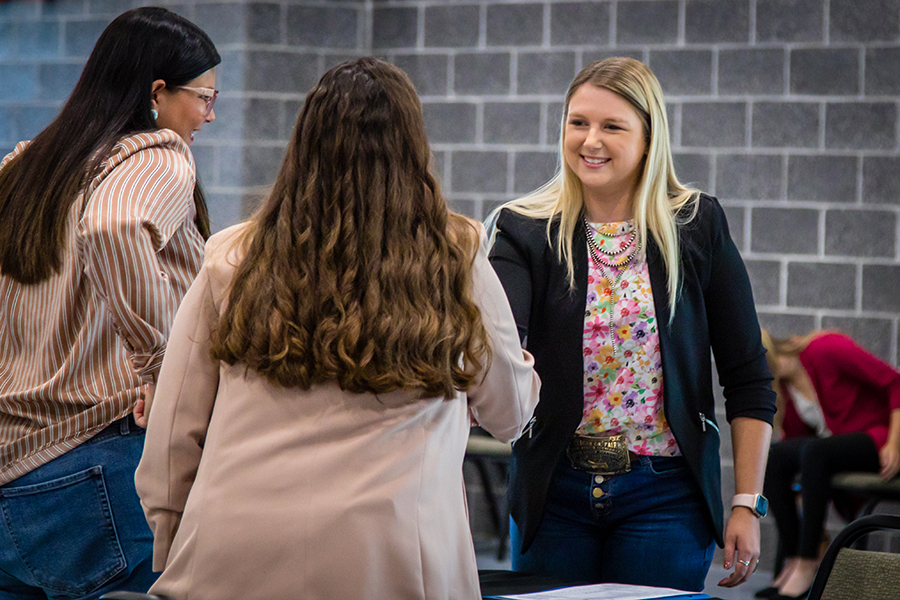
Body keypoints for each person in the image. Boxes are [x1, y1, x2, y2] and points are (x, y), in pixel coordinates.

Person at [134, 57, 540, 600]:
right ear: (414, 149)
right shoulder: (454, 254)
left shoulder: (233, 256)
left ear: (302, 145)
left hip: (235, 549)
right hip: (393, 556)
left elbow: (174, 428)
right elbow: (510, 412)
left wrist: (170, 537)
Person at [487, 56, 776, 592]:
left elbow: (748, 378)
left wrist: (746, 503)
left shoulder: (696, 224)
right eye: (578, 122)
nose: (590, 140)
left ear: (649, 137)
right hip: (555, 493)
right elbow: (500, 344)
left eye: (612, 126)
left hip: (666, 495)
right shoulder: (523, 228)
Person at [0, 7, 219, 599]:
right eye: (203, 97)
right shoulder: (157, 156)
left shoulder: (25, 167)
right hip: (99, 462)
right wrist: (159, 368)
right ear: (157, 93)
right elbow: (114, 226)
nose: (209, 114)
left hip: (12, 472)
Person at [758, 330, 900, 600]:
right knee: (776, 455)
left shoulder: (825, 349)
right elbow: (797, 452)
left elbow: (895, 382)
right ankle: (794, 559)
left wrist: (895, 444)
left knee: (815, 450)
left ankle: (809, 562)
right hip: (835, 449)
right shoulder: (785, 389)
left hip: (880, 436)